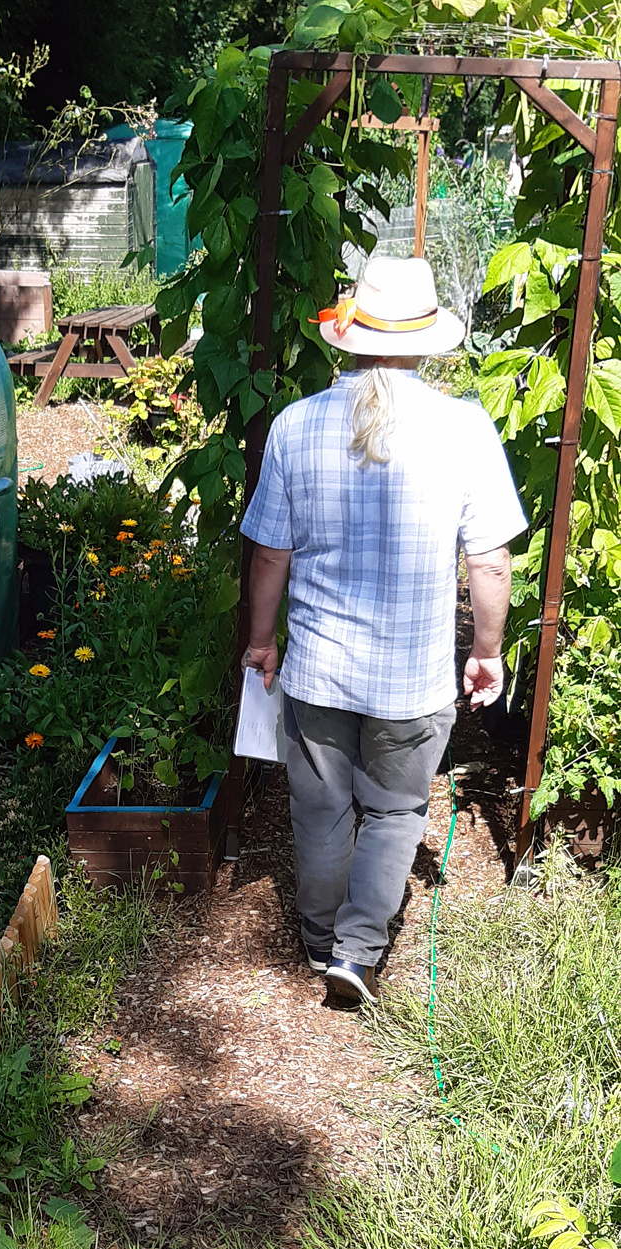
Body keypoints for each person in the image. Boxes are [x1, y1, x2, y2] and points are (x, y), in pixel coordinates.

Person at [240, 255, 526, 1006]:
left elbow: (270, 552)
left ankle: (318, 937)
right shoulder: (465, 427)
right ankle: (357, 951)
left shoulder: (296, 425)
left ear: (354, 336)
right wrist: (486, 651)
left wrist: (262, 641)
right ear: (426, 342)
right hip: (412, 676)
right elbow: (490, 561)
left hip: (318, 671)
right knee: (397, 810)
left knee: (320, 808)